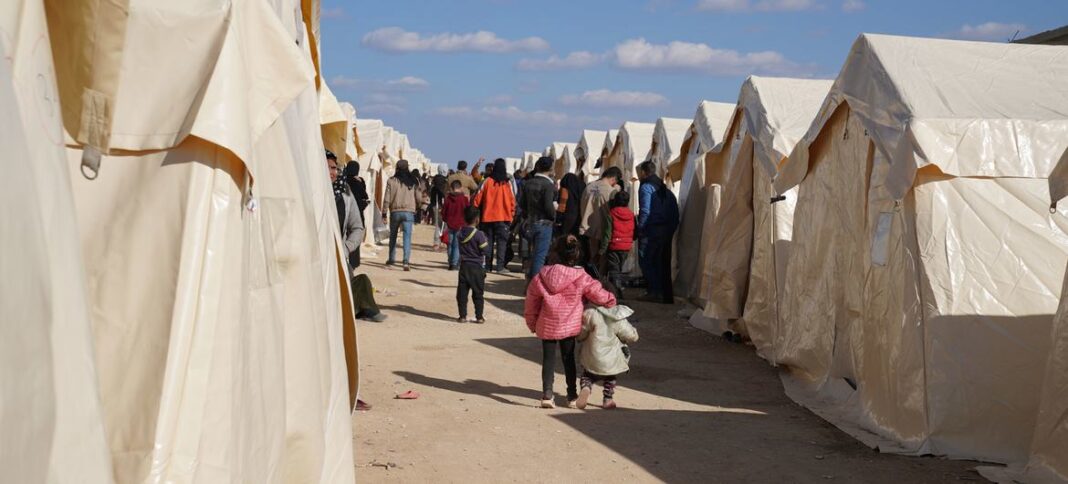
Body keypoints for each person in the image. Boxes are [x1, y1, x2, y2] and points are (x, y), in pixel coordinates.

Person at [525, 235, 617, 409]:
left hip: (547, 324)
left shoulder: (542, 276)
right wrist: (611, 299)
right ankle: (572, 395)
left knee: (548, 360)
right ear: (577, 254)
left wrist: (532, 323)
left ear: (556, 253)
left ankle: (547, 395)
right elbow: (598, 293)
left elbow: (531, 302)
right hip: (569, 325)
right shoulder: (581, 277)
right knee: (569, 360)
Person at [577, 303, 638, 409]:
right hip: (611, 359)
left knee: (588, 375)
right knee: (610, 377)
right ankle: (608, 399)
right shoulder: (617, 317)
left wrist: (579, 338)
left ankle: (586, 387)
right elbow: (631, 336)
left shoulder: (590, 313)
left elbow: (581, 333)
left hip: (592, 356)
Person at [636, 161, 680, 304]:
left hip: (652, 229)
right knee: (662, 262)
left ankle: (654, 291)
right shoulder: (664, 189)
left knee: (647, 260)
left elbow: (646, 210)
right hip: (666, 230)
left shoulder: (646, 187)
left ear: (643, 172)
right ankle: (663, 292)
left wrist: (640, 229)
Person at [383, 159, 428, 271]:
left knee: (393, 236)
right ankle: (405, 261)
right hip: (408, 212)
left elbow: (387, 199)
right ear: (407, 168)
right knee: (407, 237)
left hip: (395, 211)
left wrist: (384, 212)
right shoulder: (413, 181)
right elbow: (418, 197)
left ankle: (391, 259)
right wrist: (417, 206)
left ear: (397, 168)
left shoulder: (391, 181)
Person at [473, 158, 516, 273]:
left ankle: (487, 266)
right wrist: (512, 214)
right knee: (502, 243)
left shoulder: (487, 181)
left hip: (487, 217)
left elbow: (477, 199)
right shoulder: (507, 183)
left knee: (488, 242)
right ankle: (500, 267)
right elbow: (513, 200)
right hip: (504, 218)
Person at [518, 156, 558, 280]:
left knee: (532, 254)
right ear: (551, 168)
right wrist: (553, 215)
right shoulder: (548, 185)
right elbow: (547, 206)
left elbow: (521, 203)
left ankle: (530, 282)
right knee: (540, 256)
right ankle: (534, 288)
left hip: (529, 222)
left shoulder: (527, 183)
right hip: (544, 223)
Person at [579, 167, 623, 272]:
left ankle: (592, 275)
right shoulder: (611, 190)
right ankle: (600, 278)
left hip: (588, 226)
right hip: (603, 227)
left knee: (593, 253)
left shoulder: (589, 187)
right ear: (614, 179)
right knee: (603, 255)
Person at [456, 206, 490, 324]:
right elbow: (486, 250)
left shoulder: (460, 233)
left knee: (462, 293)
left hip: (464, 266)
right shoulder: (479, 234)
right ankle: (479, 317)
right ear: (477, 219)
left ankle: (462, 316)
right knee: (478, 293)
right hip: (477, 267)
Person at [601, 190, 635, 298]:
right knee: (619, 269)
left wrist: (602, 249)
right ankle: (618, 289)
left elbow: (607, 233)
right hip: (626, 246)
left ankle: (616, 292)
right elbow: (635, 231)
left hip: (614, 245)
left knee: (614, 270)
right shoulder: (631, 214)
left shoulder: (611, 213)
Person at [342, 162, 371, 266]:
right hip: (357, 214)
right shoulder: (359, 181)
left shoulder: (342, 181)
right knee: (354, 237)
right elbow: (365, 196)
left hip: (343, 214)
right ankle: (353, 264)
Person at [442, 180, 470, 270]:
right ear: (460, 188)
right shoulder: (464, 199)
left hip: (450, 224)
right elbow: (468, 212)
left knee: (450, 244)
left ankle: (451, 262)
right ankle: (454, 263)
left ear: (452, 188)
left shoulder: (447, 199)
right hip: (461, 225)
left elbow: (444, 212)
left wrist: (445, 219)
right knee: (457, 245)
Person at [555, 173, 586, 237]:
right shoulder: (582, 191)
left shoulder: (565, 191)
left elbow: (562, 206)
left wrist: (558, 219)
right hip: (579, 218)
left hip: (567, 218)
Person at [430, 165, 449, 251]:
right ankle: (438, 243)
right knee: (441, 224)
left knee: (441, 224)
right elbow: (441, 192)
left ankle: (439, 242)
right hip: (439, 205)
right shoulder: (441, 181)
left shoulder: (436, 180)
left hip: (436, 204)